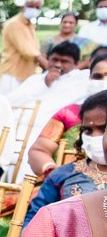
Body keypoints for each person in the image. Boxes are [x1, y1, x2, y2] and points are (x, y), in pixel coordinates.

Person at [24, 91, 107, 224]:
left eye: (103, 129)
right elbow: (35, 220)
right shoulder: (62, 175)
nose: (95, 136)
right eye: (88, 130)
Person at [9, 41, 90, 164]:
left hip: (48, 134)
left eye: (64, 61)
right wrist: (45, 84)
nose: (58, 64)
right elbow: (10, 101)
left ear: (76, 64)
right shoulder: (36, 80)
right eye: (54, 60)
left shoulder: (82, 81)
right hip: (19, 129)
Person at [27, 53, 107, 177]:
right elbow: (39, 150)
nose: (104, 81)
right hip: (65, 188)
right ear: (89, 79)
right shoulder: (69, 113)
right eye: (98, 76)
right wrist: (54, 175)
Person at [0, 0, 46, 95]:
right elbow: (27, 50)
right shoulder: (14, 24)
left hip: (26, 73)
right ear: (23, 7)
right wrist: (47, 64)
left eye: (37, 7)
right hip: (12, 73)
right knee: (8, 106)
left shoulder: (30, 25)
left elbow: (35, 47)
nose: (34, 9)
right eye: (31, 6)